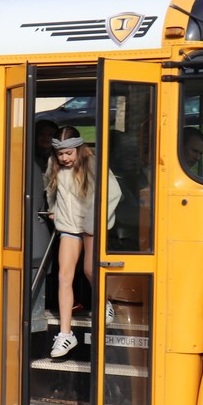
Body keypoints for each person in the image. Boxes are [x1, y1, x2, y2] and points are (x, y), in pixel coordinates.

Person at [44, 126, 121, 358]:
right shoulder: (54, 166)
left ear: (79, 149)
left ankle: (105, 302)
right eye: (61, 154)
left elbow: (113, 193)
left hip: (91, 225)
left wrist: (95, 222)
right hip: (68, 226)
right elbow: (51, 191)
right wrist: (52, 210)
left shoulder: (94, 165)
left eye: (69, 153)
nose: (65, 158)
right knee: (64, 276)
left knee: (90, 270)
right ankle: (66, 334)